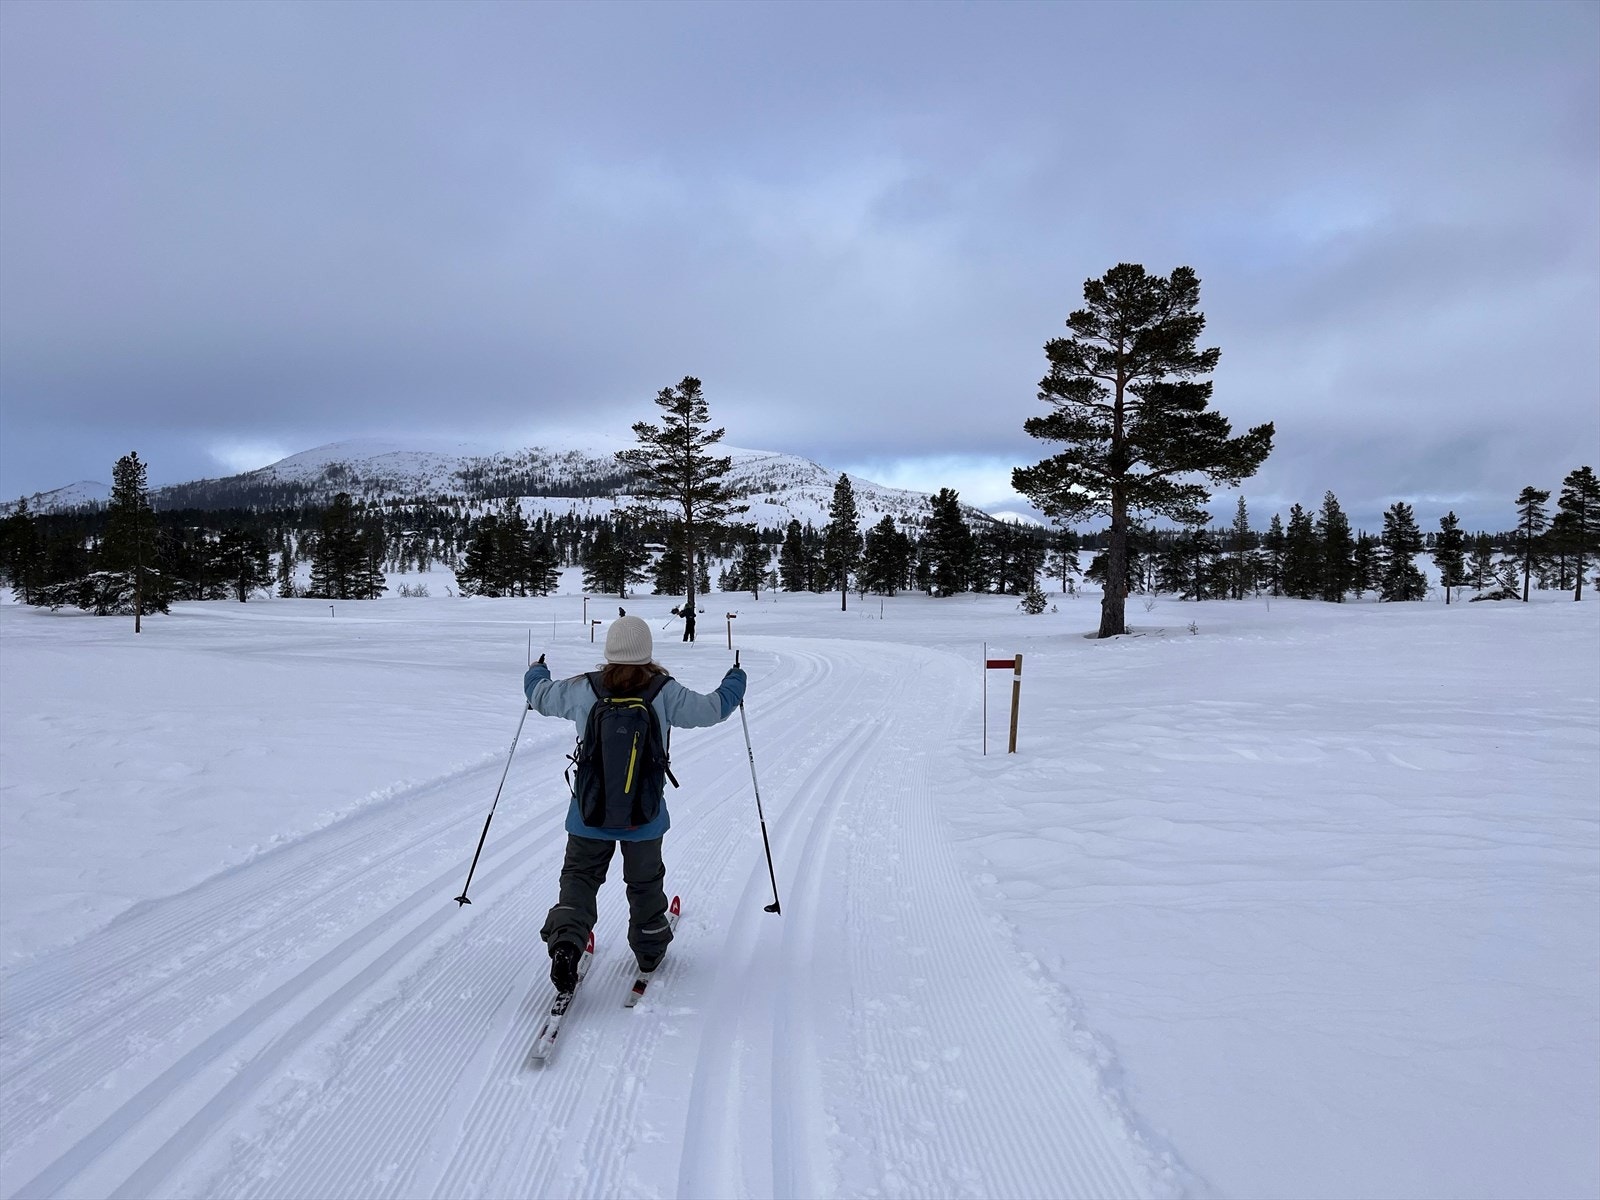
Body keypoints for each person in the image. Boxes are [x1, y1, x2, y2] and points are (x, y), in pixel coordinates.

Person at [523, 614, 746, 992]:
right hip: (644, 815)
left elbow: (539, 696)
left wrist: (536, 671)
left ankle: (567, 941)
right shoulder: (664, 691)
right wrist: (735, 680)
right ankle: (649, 949)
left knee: (579, 877)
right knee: (644, 883)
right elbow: (713, 709)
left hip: (588, 812)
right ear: (647, 651)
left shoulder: (583, 688)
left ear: (610, 650)